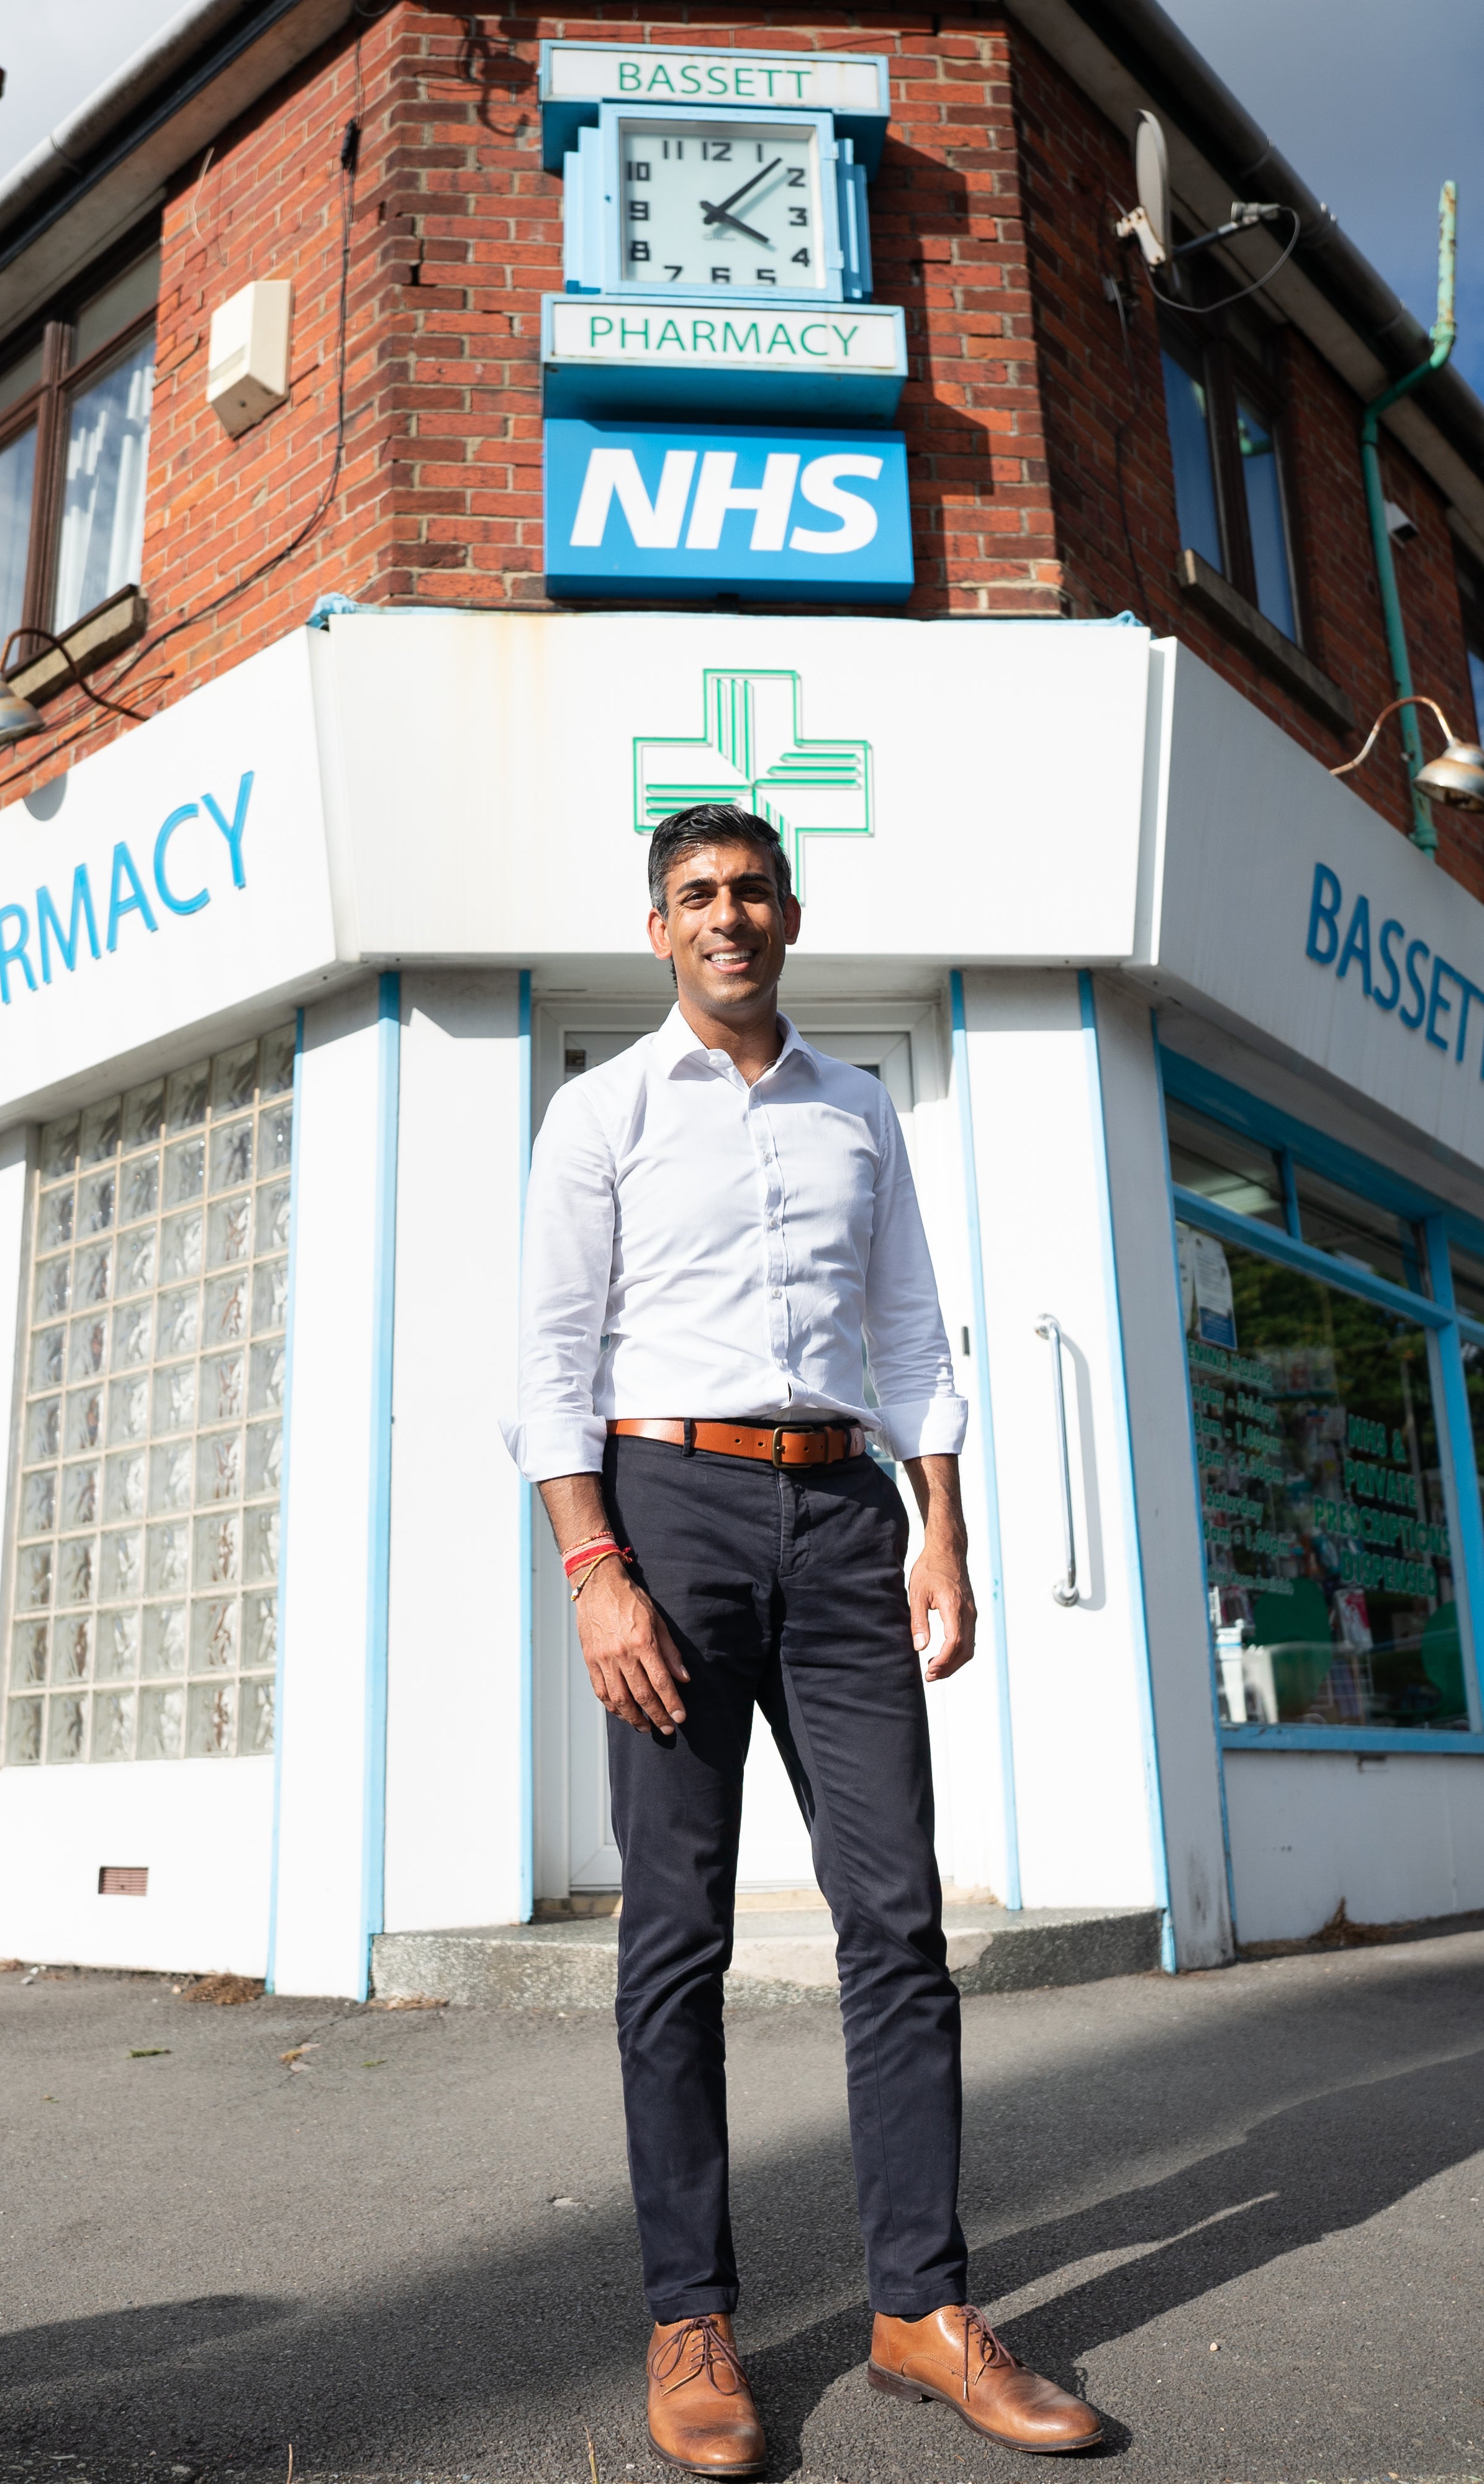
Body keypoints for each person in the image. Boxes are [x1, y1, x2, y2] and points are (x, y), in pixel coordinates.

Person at [508, 802, 1113, 2473]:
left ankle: (921, 2311)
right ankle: (690, 2319)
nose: (729, 916)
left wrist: (946, 1533)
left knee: (898, 1923)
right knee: (675, 1936)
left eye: (752, 891)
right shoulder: (602, 1111)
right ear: (660, 929)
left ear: (791, 915)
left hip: (846, 1519)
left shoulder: (860, 1113)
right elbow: (549, 1360)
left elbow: (909, 1326)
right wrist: (594, 1569)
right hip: (669, 1511)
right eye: (698, 895)